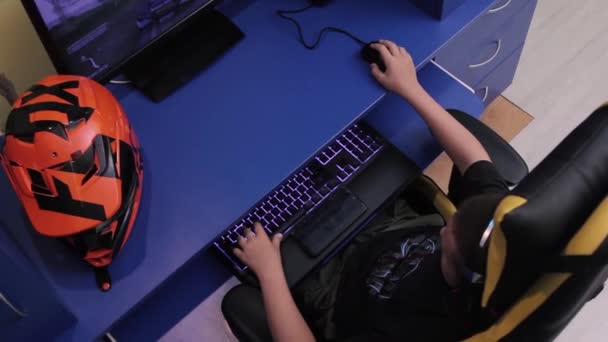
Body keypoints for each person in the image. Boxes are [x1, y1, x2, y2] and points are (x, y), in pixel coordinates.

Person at [232, 40, 509, 342]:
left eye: (451, 230)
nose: (445, 228)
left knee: (246, 203)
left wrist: (269, 272)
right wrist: (410, 87)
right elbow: (474, 159)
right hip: (392, 221)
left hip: (331, 286)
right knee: (327, 150)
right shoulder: (507, 241)